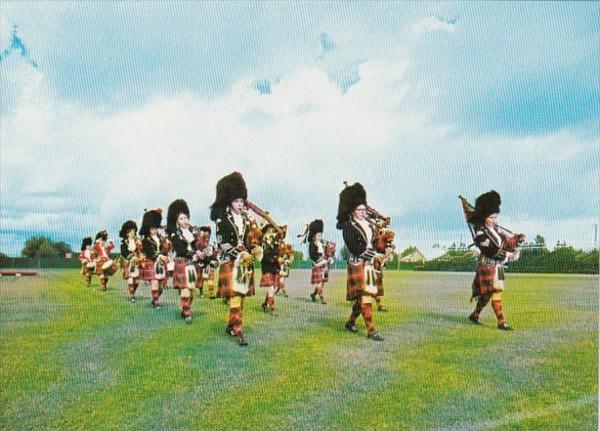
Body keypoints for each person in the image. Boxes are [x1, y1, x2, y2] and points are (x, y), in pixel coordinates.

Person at [211, 172, 259, 346]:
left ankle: (231, 326)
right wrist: (239, 254)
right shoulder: (221, 219)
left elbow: (250, 239)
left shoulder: (246, 220)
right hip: (230, 261)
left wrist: (255, 247)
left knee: (241, 297)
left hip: (244, 263)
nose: (240, 204)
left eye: (242, 201)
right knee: (235, 297)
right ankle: (239, 331)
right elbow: (222, 243)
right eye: (237, 201)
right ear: (229, 201)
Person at [467, 191, 525, 330]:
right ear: (484, 218)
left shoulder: (496, 231)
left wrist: (516, 240)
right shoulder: (481, 235)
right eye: (491, 217)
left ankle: (475, 315)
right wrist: (509, 256)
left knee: (487, 294)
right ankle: (501, 322)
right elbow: (493, 252)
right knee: (496, 290)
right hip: (488, 266)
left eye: (495, 217)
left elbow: (505, 244)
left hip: (498, 268)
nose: (494, 220)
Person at [337, 183, 385, 341]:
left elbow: (375, 243)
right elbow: (355, 247)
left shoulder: (370, 225)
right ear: (352, 210)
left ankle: (350, 322)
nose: (363, 212)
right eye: (360, 210)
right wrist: (373, 255)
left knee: (364, 296)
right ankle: (371, 330)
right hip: (358, 262)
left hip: (369, 264)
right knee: (365, 296)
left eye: (364, 209)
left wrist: (382, 250)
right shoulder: (348, 227)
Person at [167, 199, 200, 323]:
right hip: (181, 263)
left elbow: (197, 247)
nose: (185, 221)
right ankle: (187, 312)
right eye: (181, 218)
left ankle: (186, 308)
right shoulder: (175, 234)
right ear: (176, 221)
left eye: (186, 218)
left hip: (192, 264)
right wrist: (195, 253)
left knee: (191, 291)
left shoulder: (192, 232)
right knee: (186, 289)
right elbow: (180, 249)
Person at [140, 208, 169, 308]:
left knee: (161, 287)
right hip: (152, 263)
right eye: (152, 228)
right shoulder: (145, 240)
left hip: (160, 264)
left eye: (155, 228)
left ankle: (154, 299)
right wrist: (159, 255)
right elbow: (149, 251)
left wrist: (165, 251)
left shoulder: (161, 238)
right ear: (148, 228)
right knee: (155, 284)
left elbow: (165, 249)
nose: (154, 230)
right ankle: (156, 302)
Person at [259, 224, 284, 315]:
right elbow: (261, 255)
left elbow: (278, 251)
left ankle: (265, 304)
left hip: (275, 266)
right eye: (268, 230)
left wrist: (278, 257)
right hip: (266, 266)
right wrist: (273, 257)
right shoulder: (262, 242)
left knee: (272, 287)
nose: (271, 231)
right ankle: (272, 308)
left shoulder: (276, 241)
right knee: (271, 287)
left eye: (272, 230)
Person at [119, 220, 141, 303]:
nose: (133, 233)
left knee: (137, 281)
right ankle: (132, 296)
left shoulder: (137, 241)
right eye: (132, 231)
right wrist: (131, 258)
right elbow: (123, 253)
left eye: (134, 231)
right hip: (129, 264)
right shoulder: (124, 243)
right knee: (131, 280)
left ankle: (132, 292)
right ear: (127, 233)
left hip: (136, 264)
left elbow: (140, 252)